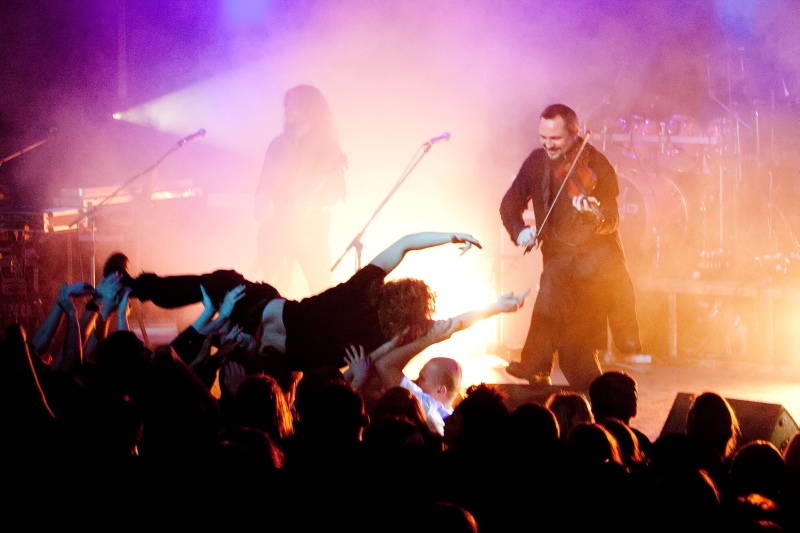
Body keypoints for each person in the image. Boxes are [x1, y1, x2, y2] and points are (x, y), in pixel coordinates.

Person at [126, 231, 484, 374]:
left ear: (396, 290)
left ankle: (134, 288)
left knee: (217, 285)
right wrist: (495, 307)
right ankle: (151, 380)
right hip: (277, 360)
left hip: (265, 312)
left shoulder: (363, 289)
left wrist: (453, 234)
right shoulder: (382, 340)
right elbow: (449, 327)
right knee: (209, 351)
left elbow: (403, 244)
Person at [499, 103, 642, 391]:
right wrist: (520, 231)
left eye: (556, 139)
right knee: (575, 355)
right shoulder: (536, 163)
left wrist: (594, 212)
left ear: (575, 133)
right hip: (558, 258)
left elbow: (611, 219)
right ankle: (606, 405)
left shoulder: (597, 165)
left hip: (595, 268)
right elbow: (509, 205)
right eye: (544, 138)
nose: (548, 145)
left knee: (552, 282)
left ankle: (535, 364)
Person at [254, 84, 347, 295]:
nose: (288, 109)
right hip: (275, 231)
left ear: (310, 108)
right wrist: (261, 205)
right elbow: (264, 184)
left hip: (311, 232)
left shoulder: (327, 148)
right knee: (270, 293)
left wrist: (313, 204)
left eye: (293, 104)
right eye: (286, 104)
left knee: (321, 292)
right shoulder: (277, 145)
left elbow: (339, 194)